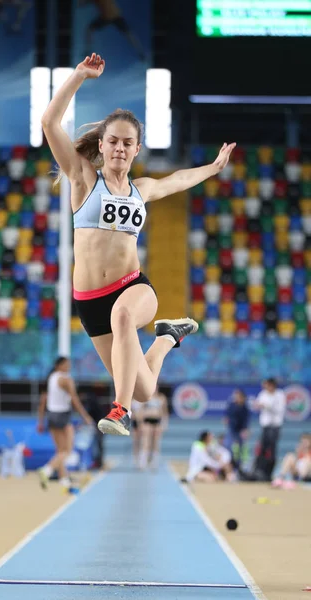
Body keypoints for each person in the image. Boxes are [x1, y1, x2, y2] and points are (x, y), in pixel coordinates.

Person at [41, 52, 235, 437]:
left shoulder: (140, 190)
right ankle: (168, 337)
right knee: (146, 388)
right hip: (90, 300)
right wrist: (79, 75)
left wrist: (212, 168)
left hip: (133, 287)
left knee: (125, 318)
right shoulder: (83, 179)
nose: (119, 148)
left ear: (136, 149)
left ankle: (121, 410)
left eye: (127, 143)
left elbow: (177, 179)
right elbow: (49, 121)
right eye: (112, 141)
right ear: (102, 143)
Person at [37, 357, 94, 490]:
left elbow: (43, 402)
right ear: (58, 365)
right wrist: (85, 416)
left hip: (51, 415)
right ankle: (47, 469)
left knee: (60, 450)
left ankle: (64, 479)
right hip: (62, 416)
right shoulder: (66, 379)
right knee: (67, 450)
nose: (68, 366)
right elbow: (74, 399)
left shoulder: (50, 379)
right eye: (66, 364)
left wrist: (40, 420)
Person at [78, 0, 147, 61]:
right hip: (109, 16)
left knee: (128, 34)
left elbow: (82, 4)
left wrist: (82, 3)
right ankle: (88, 50)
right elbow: (82, 4)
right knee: (89, 29)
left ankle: (140, 52)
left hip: (113, 16)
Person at [252, 377, 286, 481]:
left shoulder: (280, 395)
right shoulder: (263, 394)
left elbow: (279, 409)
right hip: (265, 426)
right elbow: (257, 405)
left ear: (272, 385)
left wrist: (266, 406)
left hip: (275, 426)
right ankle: (259, 472)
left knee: (272, 450)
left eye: (267, 385)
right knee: (262, 449)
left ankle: (269, 473)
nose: (265, 387)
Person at [138, 386, 169, 470]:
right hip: (147, 420)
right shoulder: (146, 397)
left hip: (157, 421)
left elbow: (165, 412)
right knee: (146, 442)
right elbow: (141, 410)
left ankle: (154, 462)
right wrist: (140, 423)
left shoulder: (162, 398)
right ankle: (143, 462)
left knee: (156, 442)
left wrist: (164, 424)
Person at [223, 388, 250, 468]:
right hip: (232, 429)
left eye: (238, 396)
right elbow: (227, 415)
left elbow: (246, 420)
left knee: (240, 449)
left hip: (240, 431)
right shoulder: (232, 405)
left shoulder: (245, 408)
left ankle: (239, 465)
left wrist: (245, 430)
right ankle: (230, 463)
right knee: (228, 446)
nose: (236, 398)